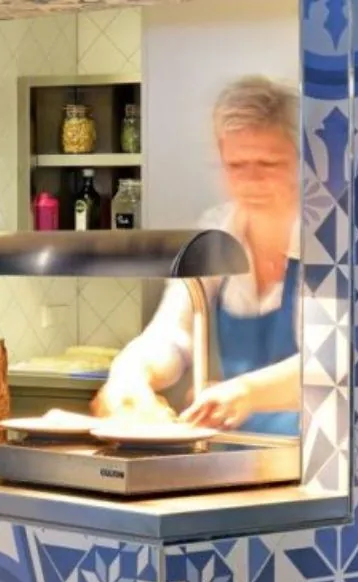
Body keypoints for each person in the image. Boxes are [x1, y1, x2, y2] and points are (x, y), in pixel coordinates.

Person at [97, 75, 302, 434]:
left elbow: (335, 362)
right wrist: (130, 374)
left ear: (301, 163)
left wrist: (245, 392)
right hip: (236, 458)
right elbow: (171, 336)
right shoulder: (217, 233)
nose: (251, 181)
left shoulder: (332, 242)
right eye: (236, 166)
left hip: (318, 461)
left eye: (268, 164)